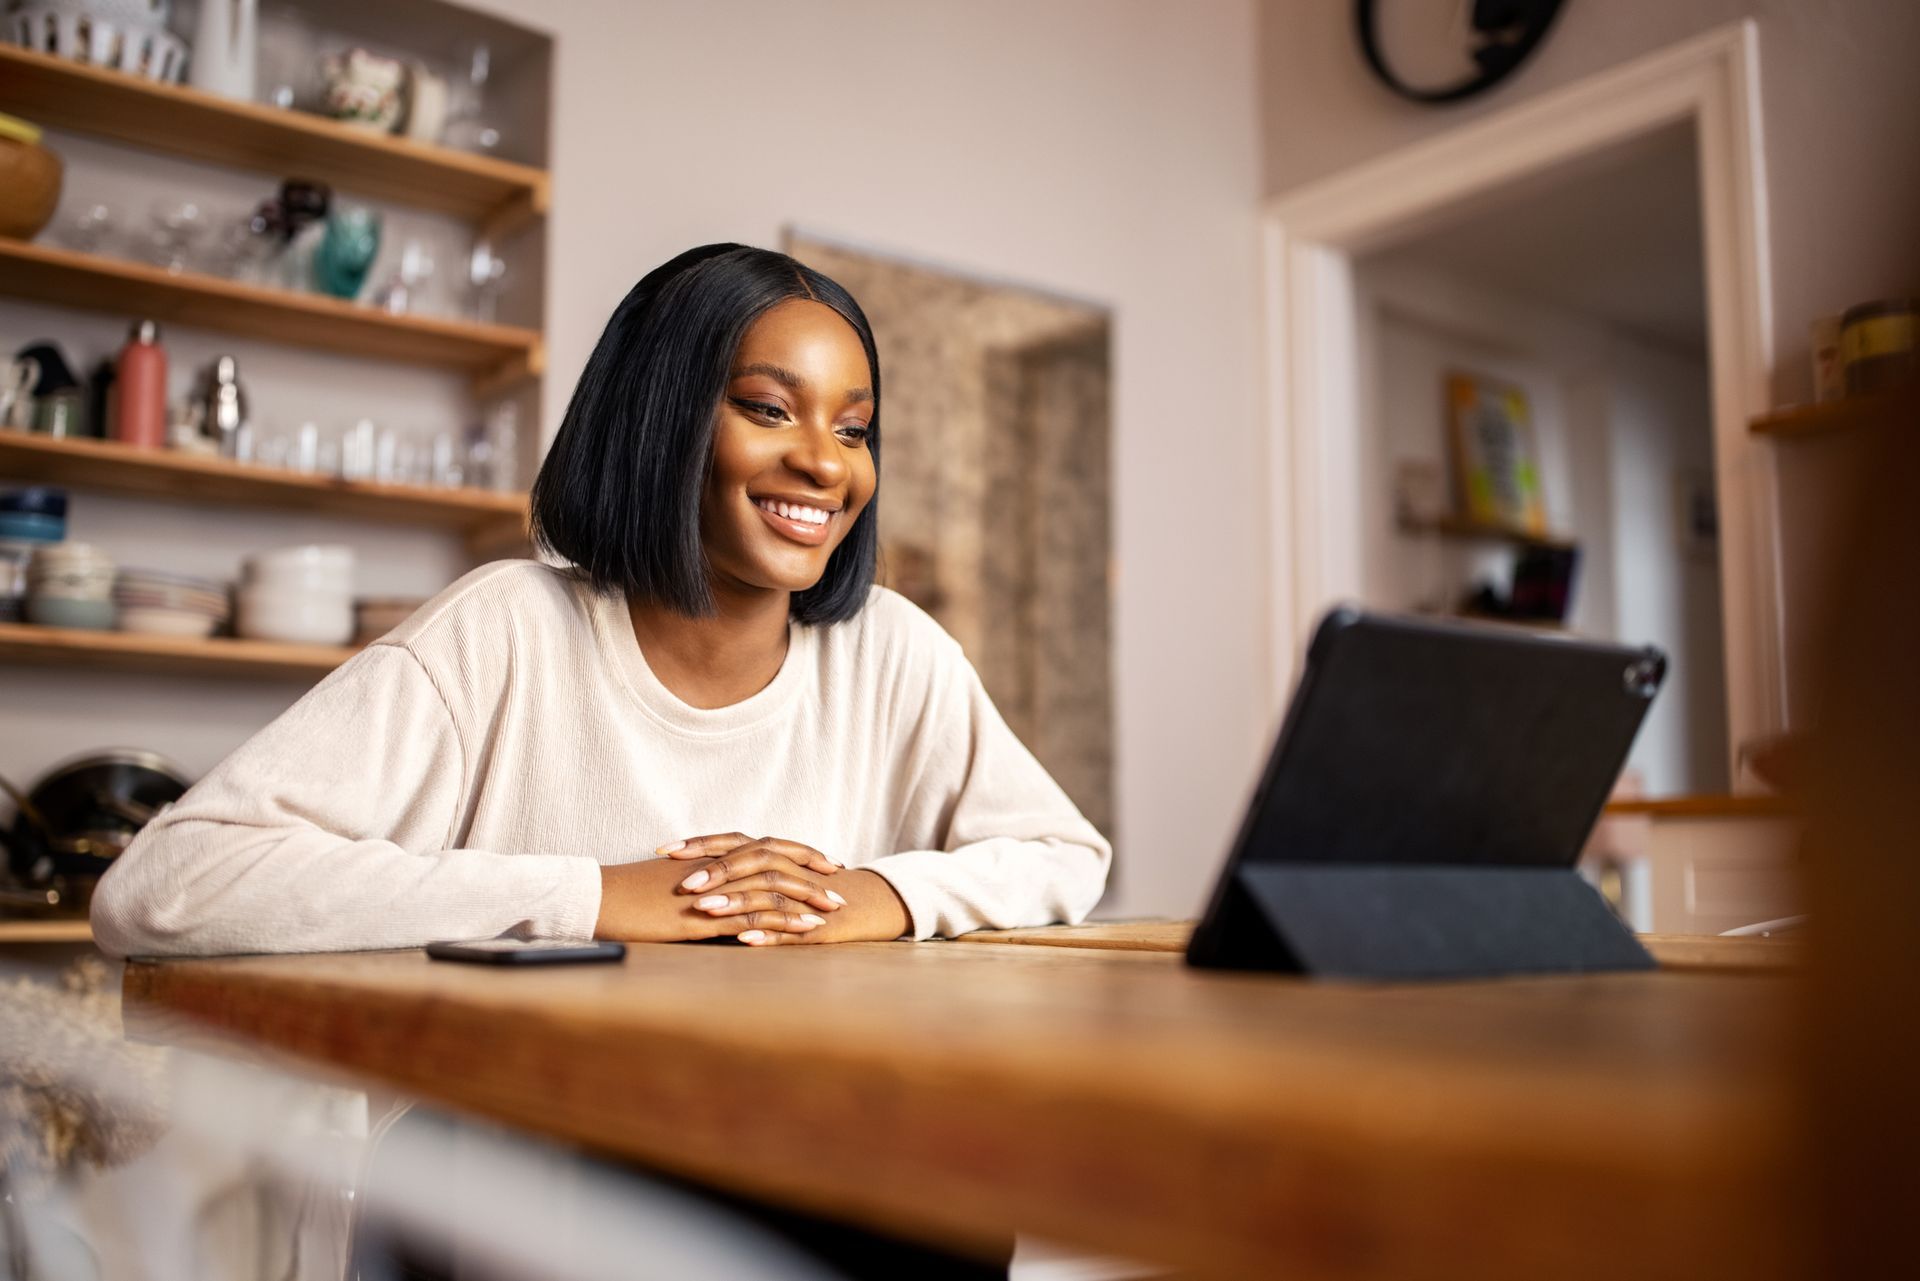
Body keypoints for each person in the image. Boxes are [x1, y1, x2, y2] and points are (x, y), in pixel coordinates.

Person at [89, 244, 1112, 960]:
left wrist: (877, 895)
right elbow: (164, 888)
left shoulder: (893, 652)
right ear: (660, 422)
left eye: (854, 431)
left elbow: (1065, 858)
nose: (823, 463)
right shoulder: (503, 631)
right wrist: (591, 894)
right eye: (767, 410)